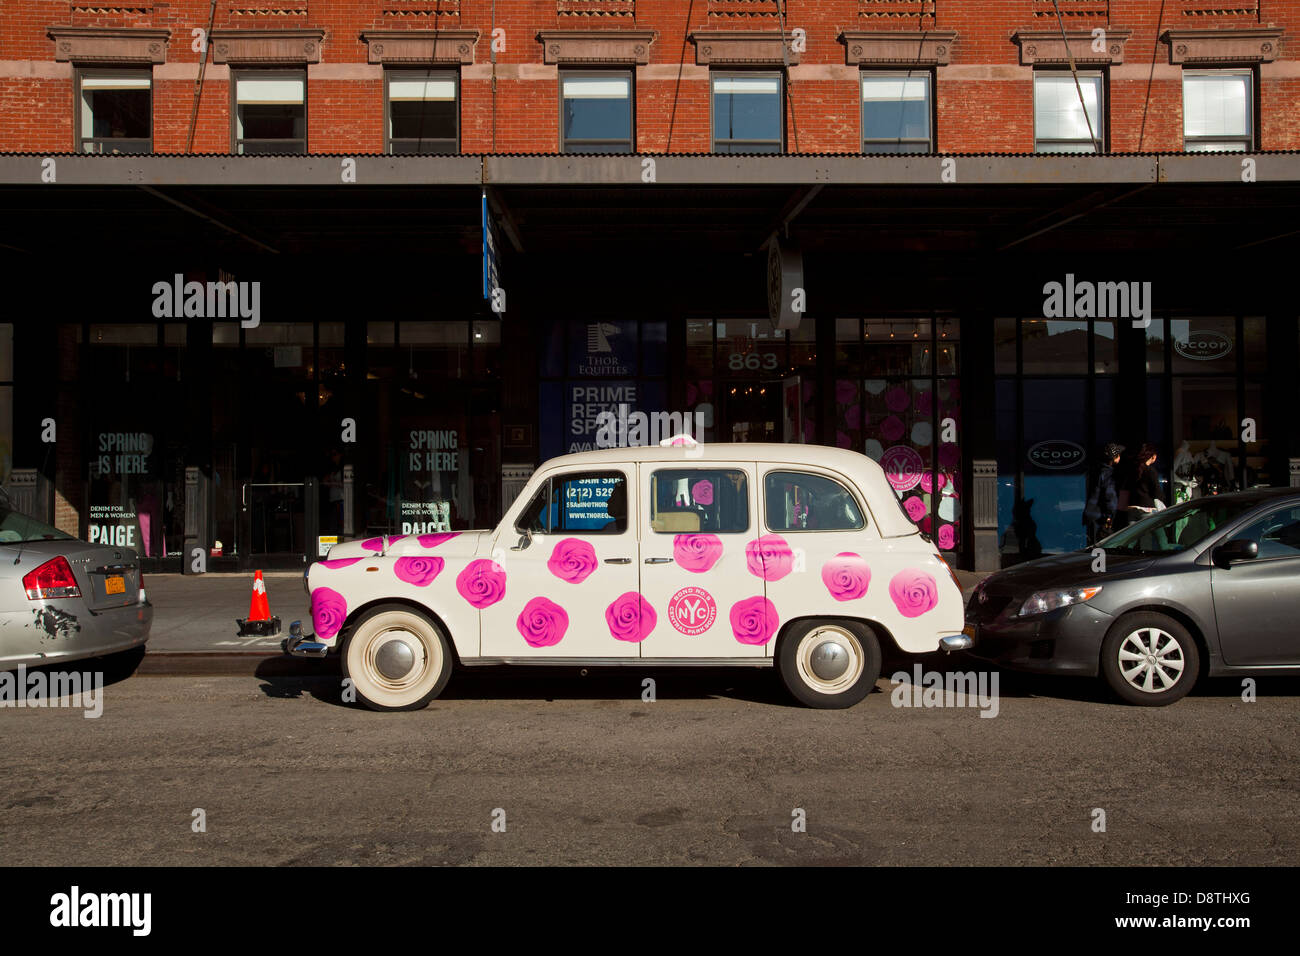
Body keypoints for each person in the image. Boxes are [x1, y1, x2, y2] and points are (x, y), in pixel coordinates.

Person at [1083, 442, 1123, 546]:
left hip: (1092, 513)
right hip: (1101, 516)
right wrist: (1109, 516)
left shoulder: (1096, 470)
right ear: (1115, 458)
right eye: (1119, 455)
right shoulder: (1109, 474)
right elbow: (1109, 496)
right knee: (1104, 547)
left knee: (1094, 546)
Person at [1120, 442, 1163, 528]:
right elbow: (1157, 493)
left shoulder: (1131, 469)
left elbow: (1124, 489)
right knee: (1157, 538)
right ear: (1153, 456)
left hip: (1131, 508)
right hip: (1147, 509)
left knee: (1131, 538)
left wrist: (1121, 508)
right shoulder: (1151, 471)